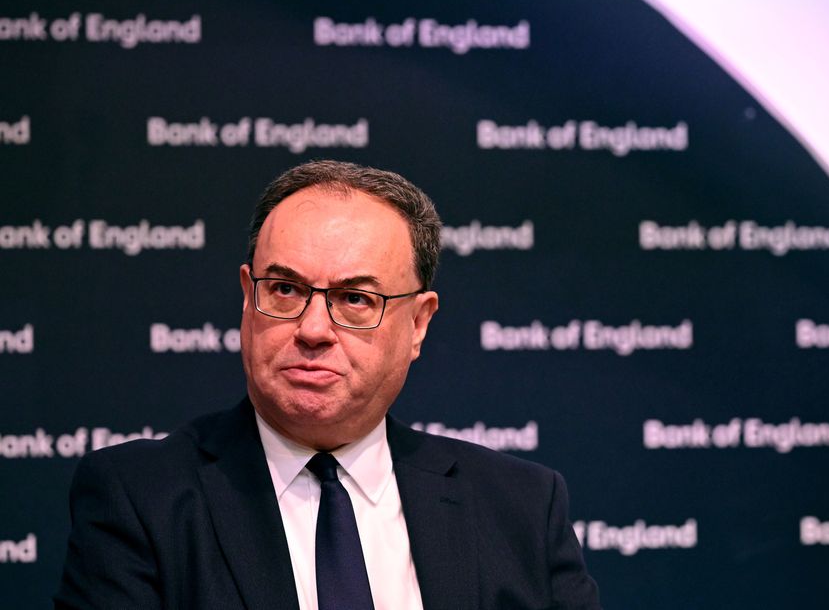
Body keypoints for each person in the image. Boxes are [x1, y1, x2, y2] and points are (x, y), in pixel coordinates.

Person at [55, 160, 602, 609]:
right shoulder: (140, 499)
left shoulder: (521, 507)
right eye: (286, 289)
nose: (313, 329)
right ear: (248, 298)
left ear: (418, 324)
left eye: (355, 299)